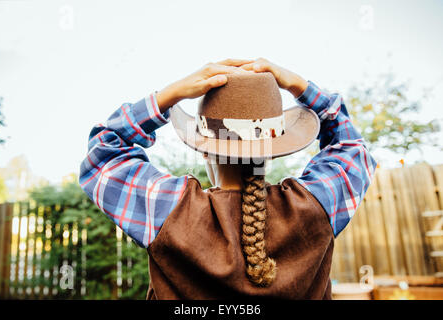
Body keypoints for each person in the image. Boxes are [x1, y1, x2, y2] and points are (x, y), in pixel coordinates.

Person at [79, 58, 376, 299]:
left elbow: (103, 151)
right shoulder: (316, 205)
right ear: (272, 151)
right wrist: (297, 85)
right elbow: (351, 147)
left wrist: (171, 94)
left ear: (206, 152)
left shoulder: (168, 210)